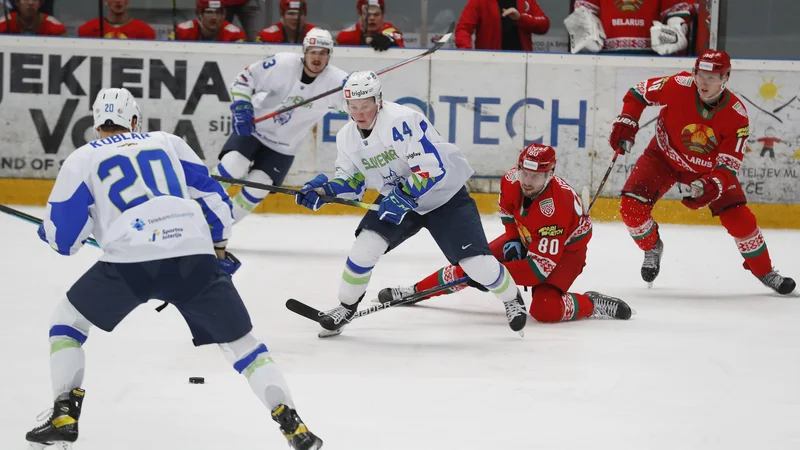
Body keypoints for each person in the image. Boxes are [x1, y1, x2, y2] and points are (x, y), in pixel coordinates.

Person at [24, 88, 323, 450]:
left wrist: (50, 232)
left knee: (67, 324)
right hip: (193, 257)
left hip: (129, 265)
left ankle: (64, 413)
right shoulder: (167, 141)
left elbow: (64, 242)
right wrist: (217, 248)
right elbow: (215, 201)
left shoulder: (82, 159)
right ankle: (292, 422)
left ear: (94, 124)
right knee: (243, 346)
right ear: (135, 122)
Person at [294, 71, 528, 337]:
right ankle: (346, 307)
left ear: (379, 100)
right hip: (399, 198)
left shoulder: (402, 121)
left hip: (444, 197)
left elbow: (431, 169)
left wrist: (403, 196)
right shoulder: (347, 137)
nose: (359, 113)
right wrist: (324, 191)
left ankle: (511, 299)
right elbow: (353, 181)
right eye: (353, 106)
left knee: (478, 265)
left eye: (365, 105)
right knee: (363, 249)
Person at [609, 50, 796, 294]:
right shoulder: (678, 85)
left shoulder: (736, 115)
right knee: (631, 209)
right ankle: (652, 247)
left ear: (725, 78)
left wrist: (713, 185)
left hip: (708, 172)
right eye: (700, 74)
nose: (703, 82)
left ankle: (765, 272)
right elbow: (638, 93)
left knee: (741, 221)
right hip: (663, 156)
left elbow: (729, 164)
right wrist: (627, 120)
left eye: (712, 76)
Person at [379, 144, 632, 322]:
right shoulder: (511, 180)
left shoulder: (556, 209)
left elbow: (537, 272)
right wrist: (512, 238)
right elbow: (508, 213)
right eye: (524, 172)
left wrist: (492, 275)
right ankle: (414, 290)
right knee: (470, 263)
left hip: (567, 251)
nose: (526, 180)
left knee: (545, 309)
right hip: (527, 235)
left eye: (535, 176)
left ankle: (592, 303)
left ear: (550, 174)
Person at [211, 28, 348, 223]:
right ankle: (195, 207)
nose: (317, 58)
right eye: (313, 52)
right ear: (304, 52)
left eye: (323, 53)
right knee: (232, 166)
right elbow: (244, 79)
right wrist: (242, 105)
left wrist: (361, 88)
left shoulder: (337, 82)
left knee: (258, 187)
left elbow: (357, 105)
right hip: (254, 130)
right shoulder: (283, 63)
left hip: (284, 146)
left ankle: (220, 227)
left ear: (329, 56)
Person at [565, 0, 693, 55]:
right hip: (605, 59)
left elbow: (676, 14)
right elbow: (582, 12)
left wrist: (676, 32)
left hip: (652, 60)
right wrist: (585, 37)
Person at [455, 0, 550, 51]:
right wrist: (467, 53)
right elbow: (463, 29)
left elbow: (544, 25)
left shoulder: (527, 1)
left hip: (522, 65)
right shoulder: (479, 1)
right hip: (489, 64)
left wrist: (521, 18)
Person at [336, 0, 404, 51]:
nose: (372, 18)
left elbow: (401, 48)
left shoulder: (391, 32)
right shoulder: (346, 36)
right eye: (367, 14)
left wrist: (390, 42)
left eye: (376, 14)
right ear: (359, 16)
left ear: (383, 16)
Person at [170, 0, 246, 42]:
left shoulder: (235, 35)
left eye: (218, 12)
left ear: (223, 14)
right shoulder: (181, 32)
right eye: (209, 12)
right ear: (199, 14)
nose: (214, 17)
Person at [77, 0, 155, 39]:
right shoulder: (88, 30)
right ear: (105, 1)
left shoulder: (144, 31)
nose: (118, 1)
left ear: (128, 1)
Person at [0, 0, 66, 35]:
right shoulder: (2, 25)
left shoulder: (56, 29)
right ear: (17, 2)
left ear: (40, 3)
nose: (31, 2)